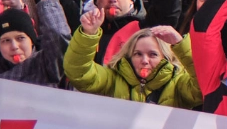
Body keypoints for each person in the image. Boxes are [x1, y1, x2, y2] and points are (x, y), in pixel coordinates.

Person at [64, 7, 202, 107]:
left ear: (165, 57)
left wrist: (180, 44)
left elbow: (203, 85)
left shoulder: (178, 84)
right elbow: (78, 73)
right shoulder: (112, 79)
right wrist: (88, 34)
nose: (144, 60)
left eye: (153, 54)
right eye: (138, 54)